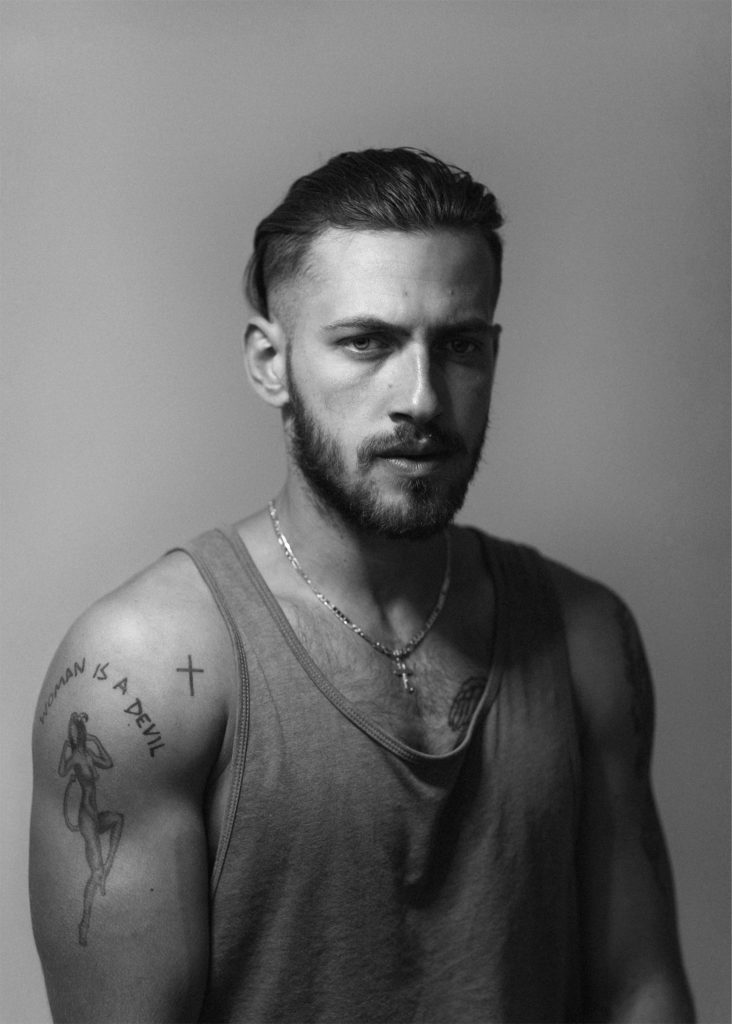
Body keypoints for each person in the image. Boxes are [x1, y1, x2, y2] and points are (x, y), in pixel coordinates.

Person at [30, 147, 695, 1023]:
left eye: (458, 346)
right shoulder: (144, 671)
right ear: (270, 362)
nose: (421, 397)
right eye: (367, 343)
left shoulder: (585, 637)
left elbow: (639, 989)